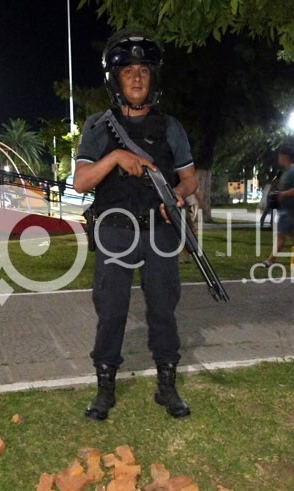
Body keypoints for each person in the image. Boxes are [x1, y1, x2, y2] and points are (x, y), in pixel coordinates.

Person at [73, 30, 197, 420]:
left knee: (163, 309)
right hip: (115, 231)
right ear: (116, 79)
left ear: (153, 77)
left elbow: (189, 178)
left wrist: (176, 195)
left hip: (159, 233)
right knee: (111, 310)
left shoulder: (170, 127)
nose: (137, 77)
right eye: (128, 70)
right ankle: (104, 390)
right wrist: (115, 159)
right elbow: (80, 182)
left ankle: (167, 386)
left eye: (143, 69)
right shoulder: (97, 127)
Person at [262, 146, 294, 267]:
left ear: (285, 157)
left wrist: (282, 194)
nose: (278, 159)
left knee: (280, 235)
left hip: (289, 209)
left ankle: (270, 259)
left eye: (279, 156)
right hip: (285, 208)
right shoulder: (287, 171)